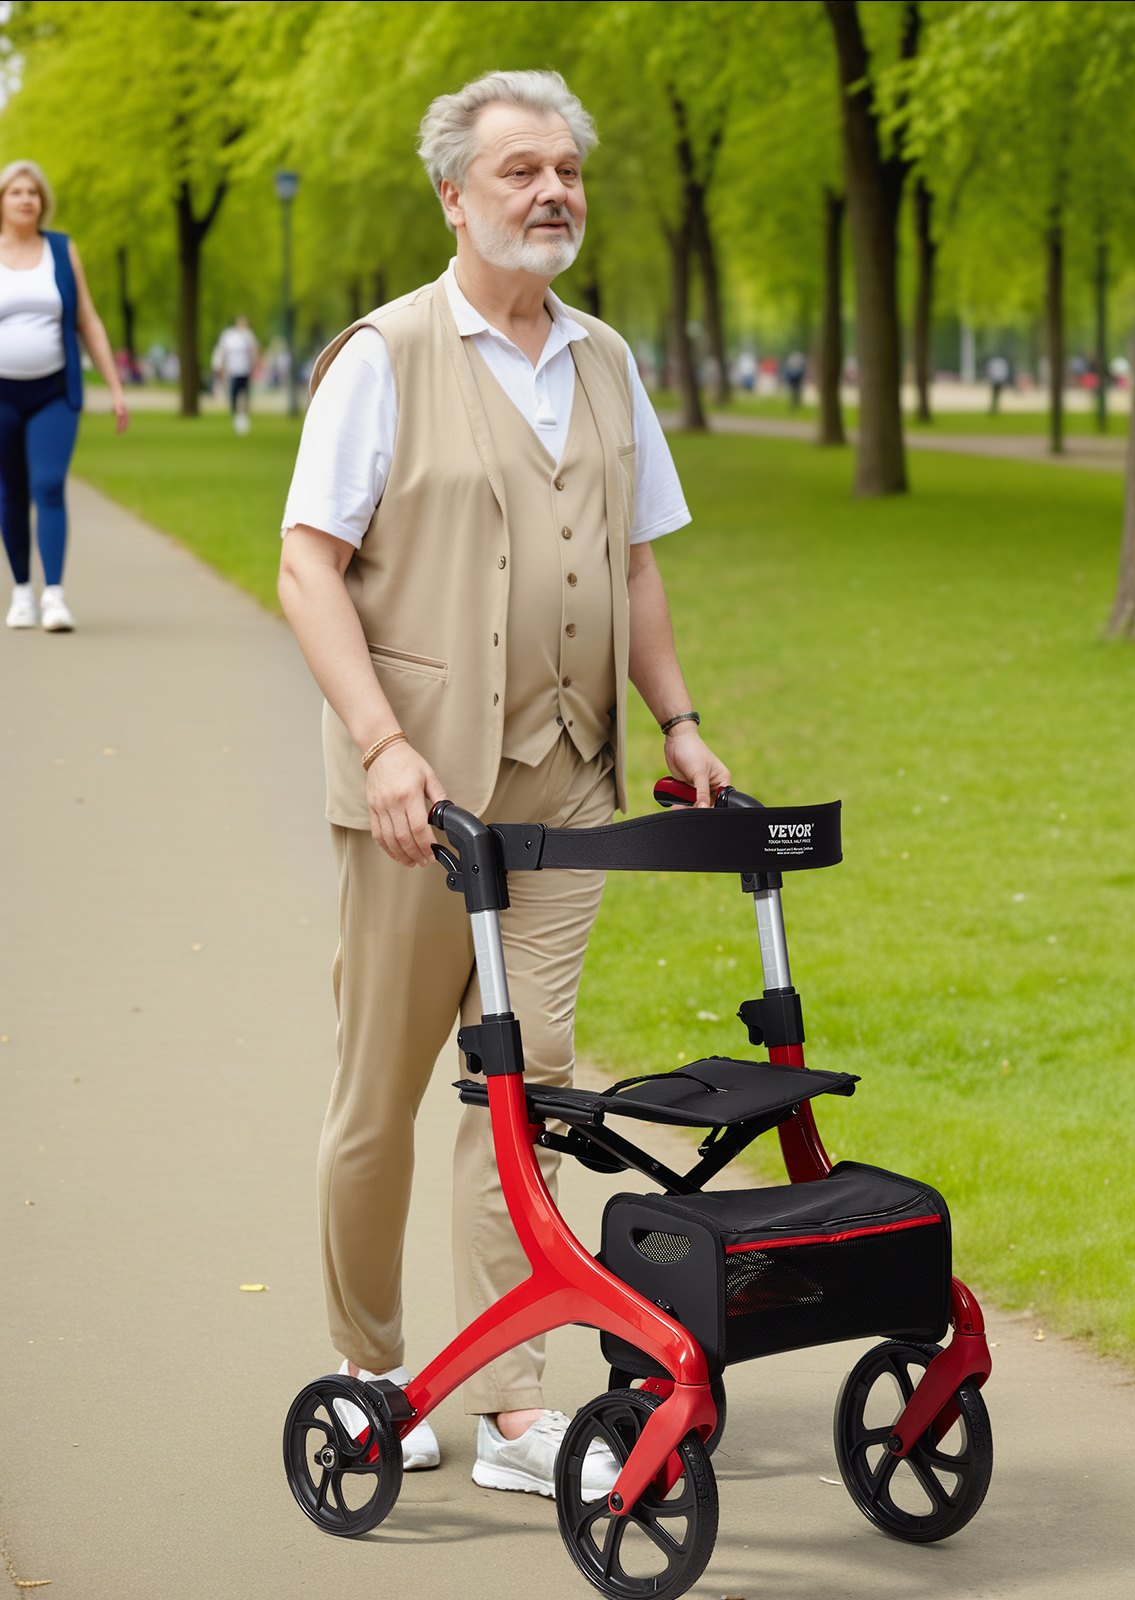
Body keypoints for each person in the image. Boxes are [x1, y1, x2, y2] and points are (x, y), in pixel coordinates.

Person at [277, 69, 730, 1496]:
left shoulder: (605, 360)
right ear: (453, 195)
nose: (550, 194)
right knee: (382, 1096)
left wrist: (679, 719)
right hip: (422, 811)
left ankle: (514, 1401)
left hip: (569, 789)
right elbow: (307, 566)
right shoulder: (383, 358)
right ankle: (372, 1368)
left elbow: (639, 557)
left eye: (568, 173)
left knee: (520, 1093)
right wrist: (382, 742)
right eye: (520, 171)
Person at [0, 160, 128, 633]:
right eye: (16, 191)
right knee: (9, 492)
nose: (26, 199)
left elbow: (87, 320)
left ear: (42, 202)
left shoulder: (60, 249)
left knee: (49, 485)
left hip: (53, 391)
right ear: (2, 201)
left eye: (33, 192)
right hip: (2, 397)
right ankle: (21, 594)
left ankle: (53, 595)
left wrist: (115, 388)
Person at [211, 314, 260, 435]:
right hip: (233, 370)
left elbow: (254, 350)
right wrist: (221, 366)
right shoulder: (229, 336)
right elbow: (223, 351)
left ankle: (244, 415)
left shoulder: (248, 336)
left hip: (245, 370)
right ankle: (234, 414)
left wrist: (254, 365)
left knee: (244, 394)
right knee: (233, 393)